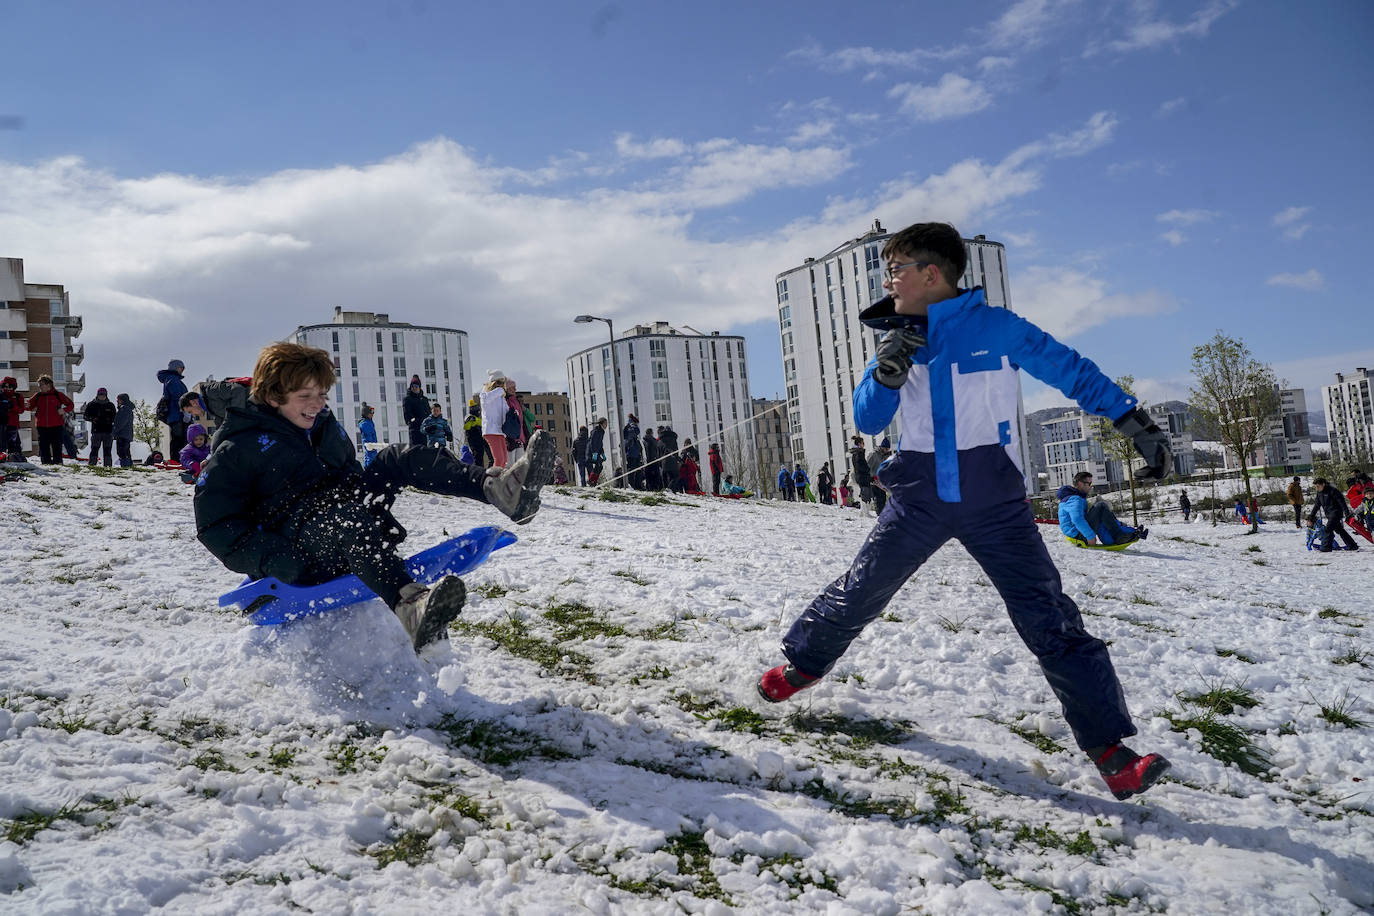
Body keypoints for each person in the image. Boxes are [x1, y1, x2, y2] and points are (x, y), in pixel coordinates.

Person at [757, 221, 1174, 800]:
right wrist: (886, 372)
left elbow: (1072, 370)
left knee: (1048, 617)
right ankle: (803, 666)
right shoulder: (896, 335)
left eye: (896, 268)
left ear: (932, 274)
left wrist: (1135, 423)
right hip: (919, 495)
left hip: (993, 500)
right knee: (862, 590)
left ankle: (1112, 753)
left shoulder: (998, 328)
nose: (888, 280)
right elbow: (869, 420)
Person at [194, 342, 556, 653]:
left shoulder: (320, 424)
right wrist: (282, 561)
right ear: (273, 397)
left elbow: (347, 472)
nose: (316, 404)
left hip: (345, 520)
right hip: (300, 548)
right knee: (346, 521)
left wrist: (365, 502)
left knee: (398, 457)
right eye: (305, 397)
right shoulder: (237, 447)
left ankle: (499, 489)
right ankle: (409, 607)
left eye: (321, 394)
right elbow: (216, 525)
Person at [1057, 472, 1147, 546]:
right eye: (1089, 484)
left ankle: (1127, 532)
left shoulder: (1073, 497)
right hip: (1079, 536)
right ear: (1080, 484)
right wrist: (1090, 537)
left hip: (1077, 533)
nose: (1090, 486)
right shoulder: (1074, 499)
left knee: (1100, 508)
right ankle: (1119, 536)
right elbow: (1077, 519)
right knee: (1100, 506)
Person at [29, 375, 74, 465]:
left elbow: (71, 405)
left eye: (41, 384)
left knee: (56, 446)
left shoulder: (58, 395)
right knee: (44, 446)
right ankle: (46, 464)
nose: (40, 387)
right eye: (39, 385)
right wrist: (26, 406)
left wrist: (64, 410)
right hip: (41, 426)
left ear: (48, 385)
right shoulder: (38, 396)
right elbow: (30, 406)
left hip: (56, 426)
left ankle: (58, 463)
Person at [1307, 478, 1358, 552]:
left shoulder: (1333, 491)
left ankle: (1326, 547)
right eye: (1315, 487)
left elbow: (1342, 502)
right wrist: (1311, 517)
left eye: (1318, 486)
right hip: (1329, 514)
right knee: (1340, 530)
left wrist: (1347, 513)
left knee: (1328, 529)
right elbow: (1316, 506)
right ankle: (1352, 545)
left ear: (1323, 484)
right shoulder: (1319, 493)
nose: (1317, 488)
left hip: (1336, 513)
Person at [158, 359, 190, 456]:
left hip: (176, 415)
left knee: (180, 439)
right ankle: (176, 461)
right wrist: (185, 411)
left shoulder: (171, 379)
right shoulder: (173, 379)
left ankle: (178, 460)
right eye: (181, 368)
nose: (182, 370)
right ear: (176, 368)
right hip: (177, 414)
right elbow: (178, 397)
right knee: (179, 440)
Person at [81, 388, 118, 467]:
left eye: (103, 395)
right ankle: (92, 465)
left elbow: (115, 418)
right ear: (97, 395)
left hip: (108, 431)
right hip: (96, 431)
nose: (102, 396)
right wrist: (92, 419)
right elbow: (85, 416)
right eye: (100, 394)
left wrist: (110, 420)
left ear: (106, 395)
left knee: (107, 450)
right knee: (94, 449)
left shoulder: (110, 405)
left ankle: (108, 467)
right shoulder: (91, 404)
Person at [479, 372, 509, 468]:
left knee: (504, 460)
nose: (501, 386)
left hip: (500, 431)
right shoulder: (485, 394)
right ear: (494, 382)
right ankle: (493, 480)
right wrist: (500, 390)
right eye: (499, 382)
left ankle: (500, 479)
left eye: (502, 383)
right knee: (499, 459)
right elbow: (485, 400)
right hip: (491, 430)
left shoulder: (501, 398)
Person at [0, 377, 25, 460]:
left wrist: (12, 407)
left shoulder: (18, 396)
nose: (7, 389)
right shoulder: (0, 395)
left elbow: (21, 410)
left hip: (12, 424)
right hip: (1, 423)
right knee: (1, 444)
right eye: (5, 386)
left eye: (10, 387)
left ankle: (15, 458)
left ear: (14, 387)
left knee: (14, 444)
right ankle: (2, 459)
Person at [402, 376, 430, 448]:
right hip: (415, 429)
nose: (414, 388)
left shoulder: (424, 399)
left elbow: (428, 412)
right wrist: (413, 421)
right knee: (415, 450)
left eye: (416, 386)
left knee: (425, 450)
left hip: (425, 429)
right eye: (412, 386)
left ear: (419, 387)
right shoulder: (408, 399)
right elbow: (407, 414)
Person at [867, 439, 892, 513]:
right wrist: (870, 476)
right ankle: (879, 513)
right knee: (878, 497)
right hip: (874, 479)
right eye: (886, 448)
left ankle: (882, 513)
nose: (887, 450)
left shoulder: (885, 455)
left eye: (888, 449)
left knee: (883, 497)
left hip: (881, 480)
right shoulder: (874, 454)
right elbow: (868, 466)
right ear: (882, 447)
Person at [850, 435, 873, 508]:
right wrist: (867, 469)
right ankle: (864, 511)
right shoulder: (858, 453)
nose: (864, 445)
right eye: (863, 443)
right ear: (859, 444)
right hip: (862, 476)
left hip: (862, 476)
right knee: (865, 494)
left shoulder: (858, 453)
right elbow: (859, 465)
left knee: (866, 493)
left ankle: (865, 511)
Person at [463, 402, 488, 468]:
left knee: (480, 456)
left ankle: (481, 470)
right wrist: (471, 421)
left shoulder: (477, 418)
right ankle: (478, 471)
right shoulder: (469, 417)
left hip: (480, 439)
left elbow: (481, 424)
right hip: (474, 440)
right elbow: (466, 427)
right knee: (477, 457)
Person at [113, 393, 135, 467]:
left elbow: (121, 423)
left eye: (118, 399)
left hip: (122, 434)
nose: (117, 401)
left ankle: (125, 466)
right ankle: (128, 465)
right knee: (126, 451)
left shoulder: (124, 409)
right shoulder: (128, 409)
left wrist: (114, 431)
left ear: (122, 400)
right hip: (127, 434)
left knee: (122, 452)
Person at [623, 414, 644, 490]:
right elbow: (636, 431)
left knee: (636, 469)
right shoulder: (631, 427)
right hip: (632, 452)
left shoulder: (628, 428)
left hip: (633, 452)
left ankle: (636, 485)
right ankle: (632, 485)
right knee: (632, 470)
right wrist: (634, 425)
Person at [658, 425, 681, 491]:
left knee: (665, 478)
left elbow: (658, 453)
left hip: (663, 462)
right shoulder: (673, 440)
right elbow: (676, 451)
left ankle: (666, 491)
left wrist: (660, 463)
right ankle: (669, 489)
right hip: (672, 462)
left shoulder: (660, 441)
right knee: (675, 476)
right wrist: (677, 459)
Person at [358, 403, 380, 469]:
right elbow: (368, 437)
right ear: (366, 414)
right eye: (371, 413)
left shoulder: (369, 422)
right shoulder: (365, 424)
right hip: (370, 447)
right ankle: (369, 469)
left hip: (373, 448)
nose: (372, 414)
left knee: (373, 458)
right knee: (370, 458)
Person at [586, 418, 607, 484]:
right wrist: (594, 453)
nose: (606, 425)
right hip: (591, 452)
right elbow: (593, 442)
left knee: (600, 466)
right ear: (601, 424)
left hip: (597, 452)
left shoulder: (602, 432)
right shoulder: (596, 431)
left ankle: (594, 481)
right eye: (605, 423)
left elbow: (600, 444)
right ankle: (590, 480)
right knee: (598, 465)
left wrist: (602, 453)